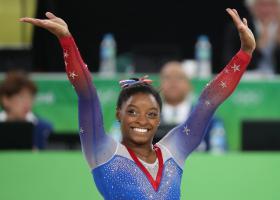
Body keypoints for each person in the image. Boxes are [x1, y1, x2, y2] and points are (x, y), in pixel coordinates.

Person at [20, 8, 255, 199]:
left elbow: (208, 101)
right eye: (133, 111)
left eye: (152, 113)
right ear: (118, 114)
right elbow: (87, 93)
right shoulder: (102, 151)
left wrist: (245, 53)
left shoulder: (174, 151)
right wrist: (66, 40)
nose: (142, 120)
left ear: (159, 119)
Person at [158, 61, 227, 151]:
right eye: (167, 78)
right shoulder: (150, 116)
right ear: (160, 83)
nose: (173, 82)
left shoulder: (207, 117)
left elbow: (219, 152)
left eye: (179, 77)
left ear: (189, 85)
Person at [222, 0, 280, 75]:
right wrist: (256, 47)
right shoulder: (238, 28)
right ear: (251, 7)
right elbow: (227, 63)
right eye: (262, 5)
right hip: (248, 78)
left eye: (272, 5)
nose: (266, 10)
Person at [0, 70, 53, 149]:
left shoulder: (45, 128)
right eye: (21, 97)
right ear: (5, 99)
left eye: (31, 97)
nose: (27, 102)